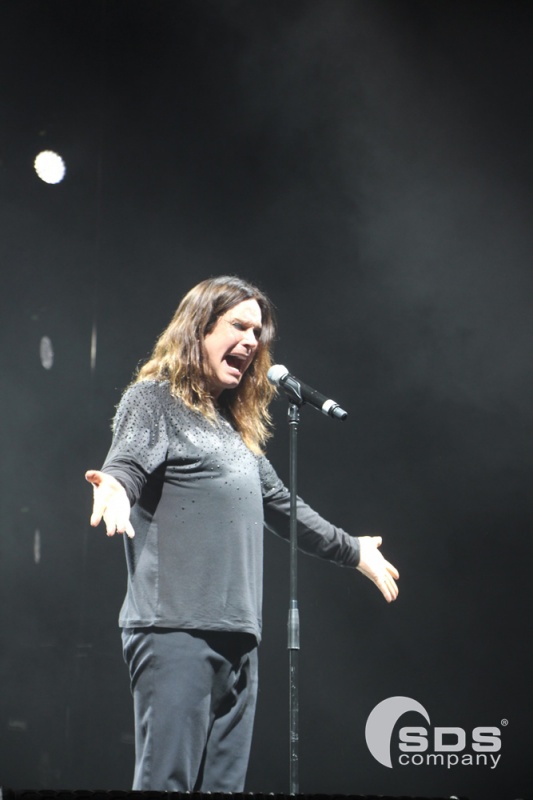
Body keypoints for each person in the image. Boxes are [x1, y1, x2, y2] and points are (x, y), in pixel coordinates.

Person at [85, 275, 399, 792]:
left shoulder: (233, 430)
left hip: (239, 640)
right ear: (199, 329)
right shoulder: (155, 400)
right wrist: (115, 487)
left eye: (258, 332)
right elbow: (127, 463)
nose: (252, 341)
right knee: (166, 783)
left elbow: (283, 506)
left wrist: (353, 550)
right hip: (175, 631)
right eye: (239, 326)